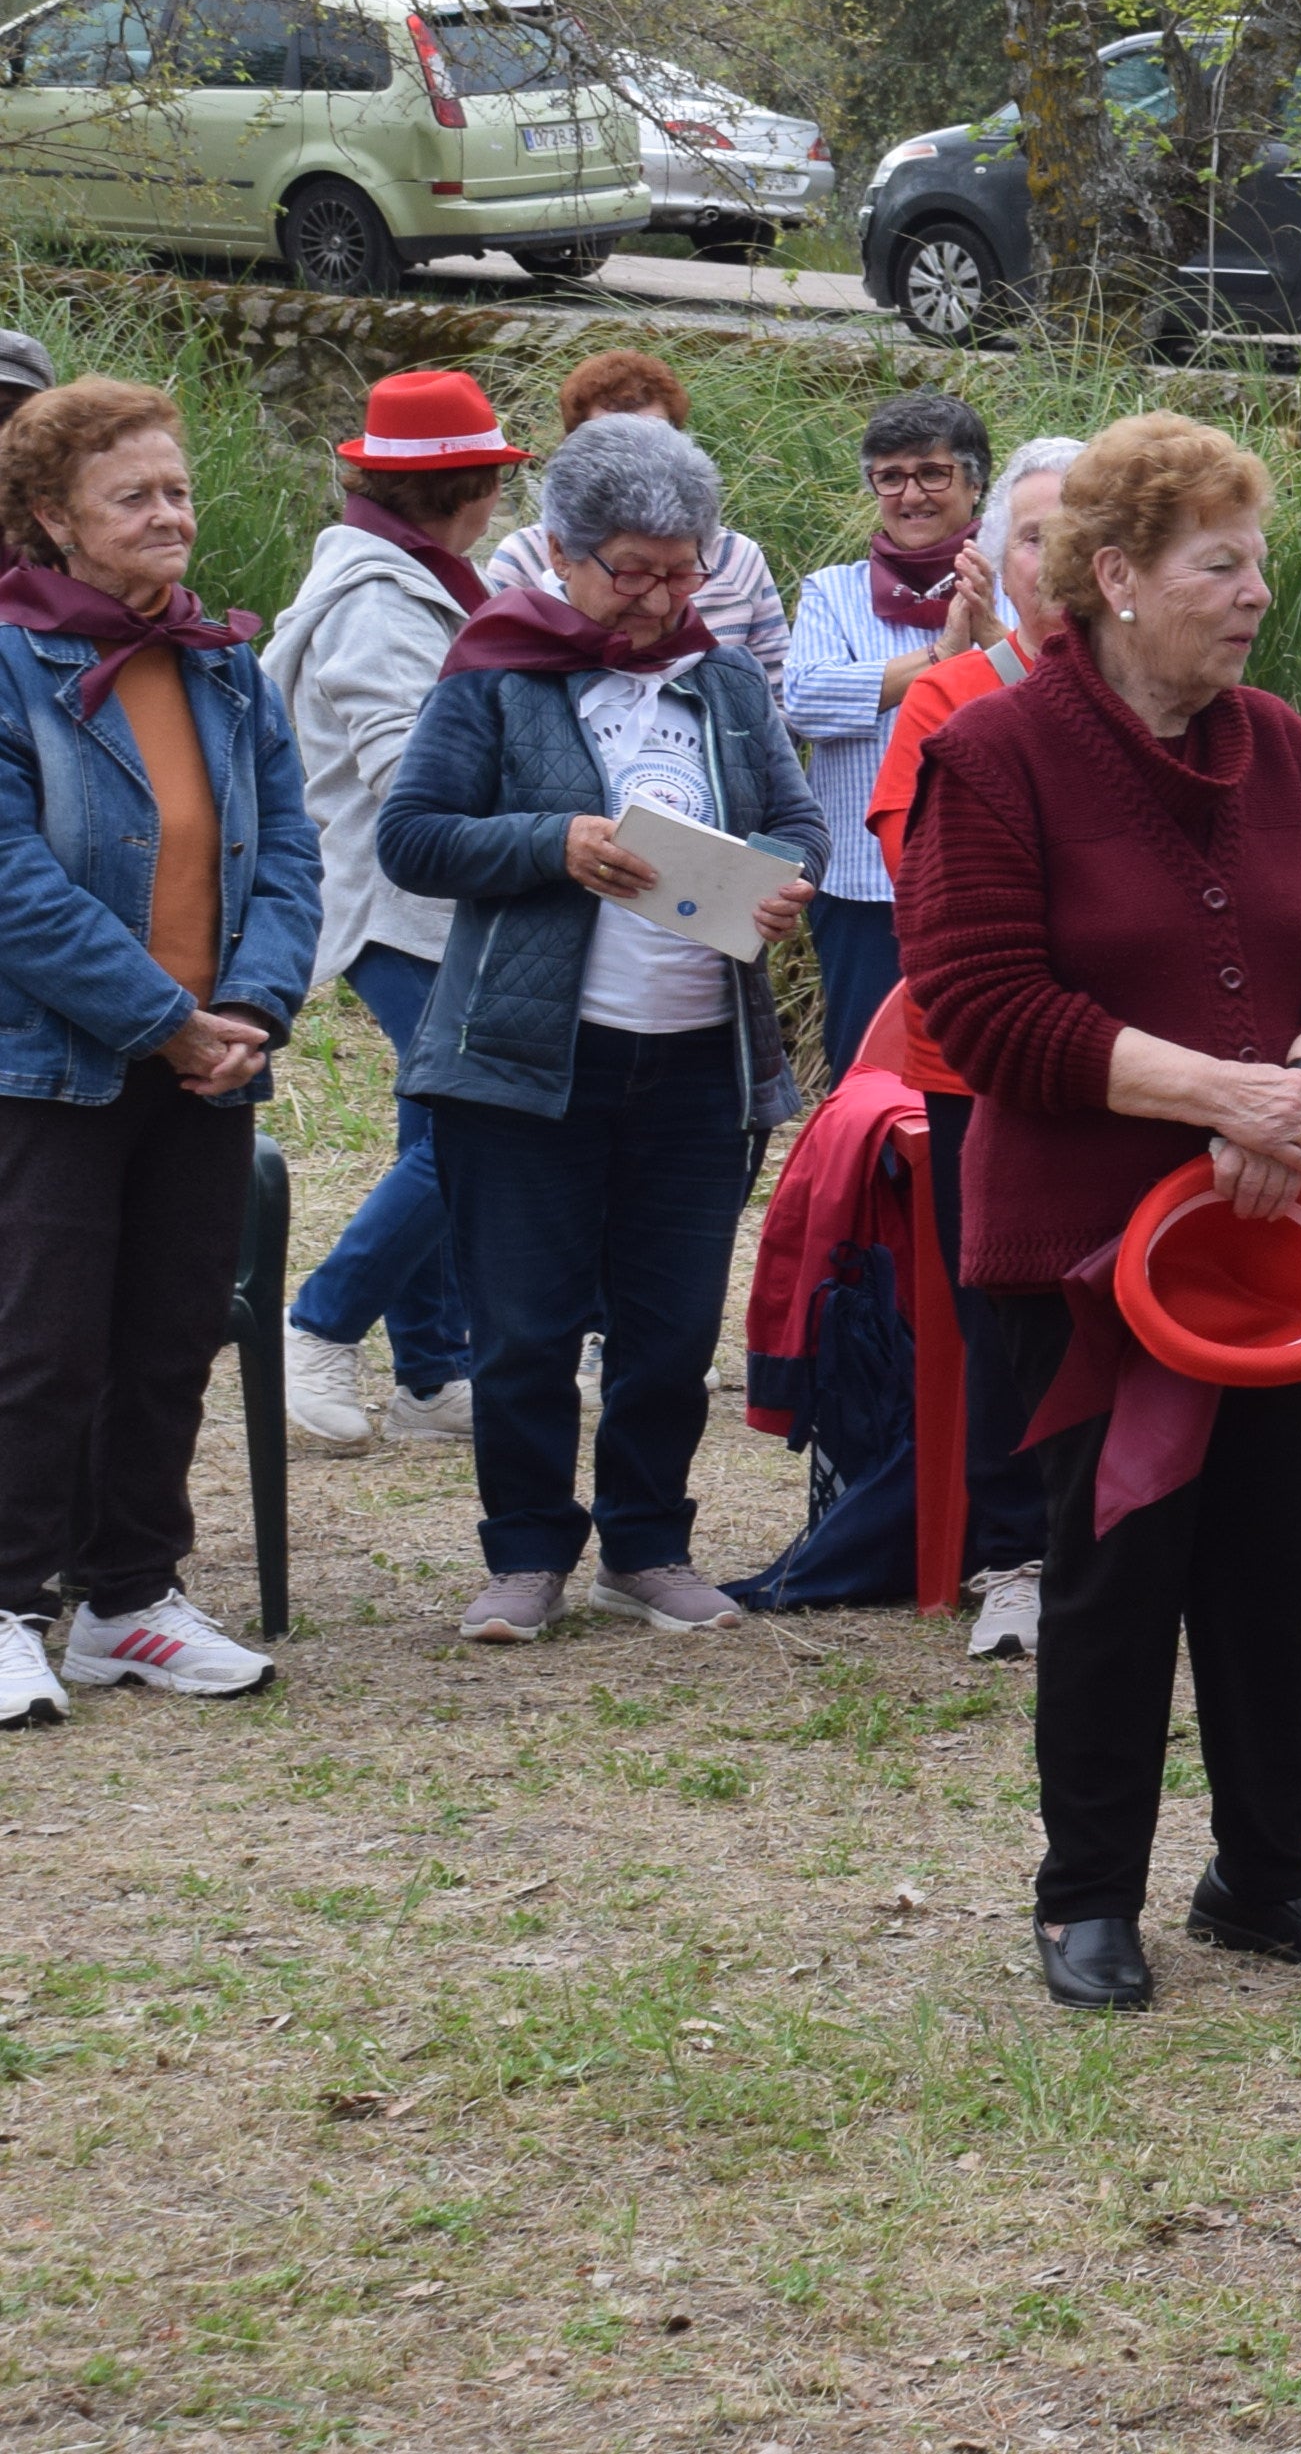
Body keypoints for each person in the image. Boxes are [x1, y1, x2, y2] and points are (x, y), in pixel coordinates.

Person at [899, 415, 1301, 2011]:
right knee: (1113, 1566)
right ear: (1114, 577)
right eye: (1222, 565)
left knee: (1268, 1561)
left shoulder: (1285, 745)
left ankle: (1265, 1874)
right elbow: (979, 1005)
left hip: (1269, 1232)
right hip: (1082, 1243)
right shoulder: (993, 755)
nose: (1257, 592)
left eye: (1257, 560)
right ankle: (1088, 1898)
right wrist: (1219, 1095)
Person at [376, 416, 826, 1650]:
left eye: (684, 569)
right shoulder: (498, 672)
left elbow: (797, 819)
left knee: (670, 1329)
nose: (661, 597)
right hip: (528, 1062)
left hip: (697, 1061)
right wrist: (552, 844)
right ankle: (525, 1554)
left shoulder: (721, 679)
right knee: (522, 1327)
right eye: (633, 570)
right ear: (563, 556)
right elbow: (410, 838)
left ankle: (647, 1547)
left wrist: (784, 879)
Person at [0, 376, 323, 1725]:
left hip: (207, 1061)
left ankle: (128, 1598)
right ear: (50, 521)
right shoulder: (14, 664)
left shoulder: (221, 665)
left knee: (171, 1331)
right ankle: (14, 1601)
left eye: (177, 490)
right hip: (52, 1068)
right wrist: (161, 1018)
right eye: (130, 497)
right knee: (39, 1343)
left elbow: (293, 856)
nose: (168, 516)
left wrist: (243, 1013)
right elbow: (11, 879)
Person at [271, 368, 537, 1452]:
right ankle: (318, 1325)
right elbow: (405, 784)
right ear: (470, 490)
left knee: (437, 1129)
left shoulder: (414, 580)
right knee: (471, 1134)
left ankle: (432, 1376)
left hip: (426, 910)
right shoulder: (381, 604)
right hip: (403, 910)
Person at [861, 435, 1083, 1662]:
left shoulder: (1168, 698)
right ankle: (1015, 1556)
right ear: (995, 558)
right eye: (1032, 535)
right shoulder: (951, 698)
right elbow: (918, 874)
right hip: (980, 1069)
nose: (1052, 560)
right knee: (1001, 1310)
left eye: (1075, 532)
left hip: (1131, 1063)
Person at [784, 393, 999, 1077]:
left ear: (975, 484)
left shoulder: (1020, 586)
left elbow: (1053, 694)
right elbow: (807, 700)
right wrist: (940, 660)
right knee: (869, 1084)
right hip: (862, 884)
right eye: (890, 476)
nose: (912, 495)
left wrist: (988, 637)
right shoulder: (831, 591)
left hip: (995, 881)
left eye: (933, 473)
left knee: (983, 1073)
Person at [485, 352, 790, 695]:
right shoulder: (524, 555)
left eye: (653, 436)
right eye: (608, 439)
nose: (636, 456)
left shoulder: (738, 558)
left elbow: (778, 695)